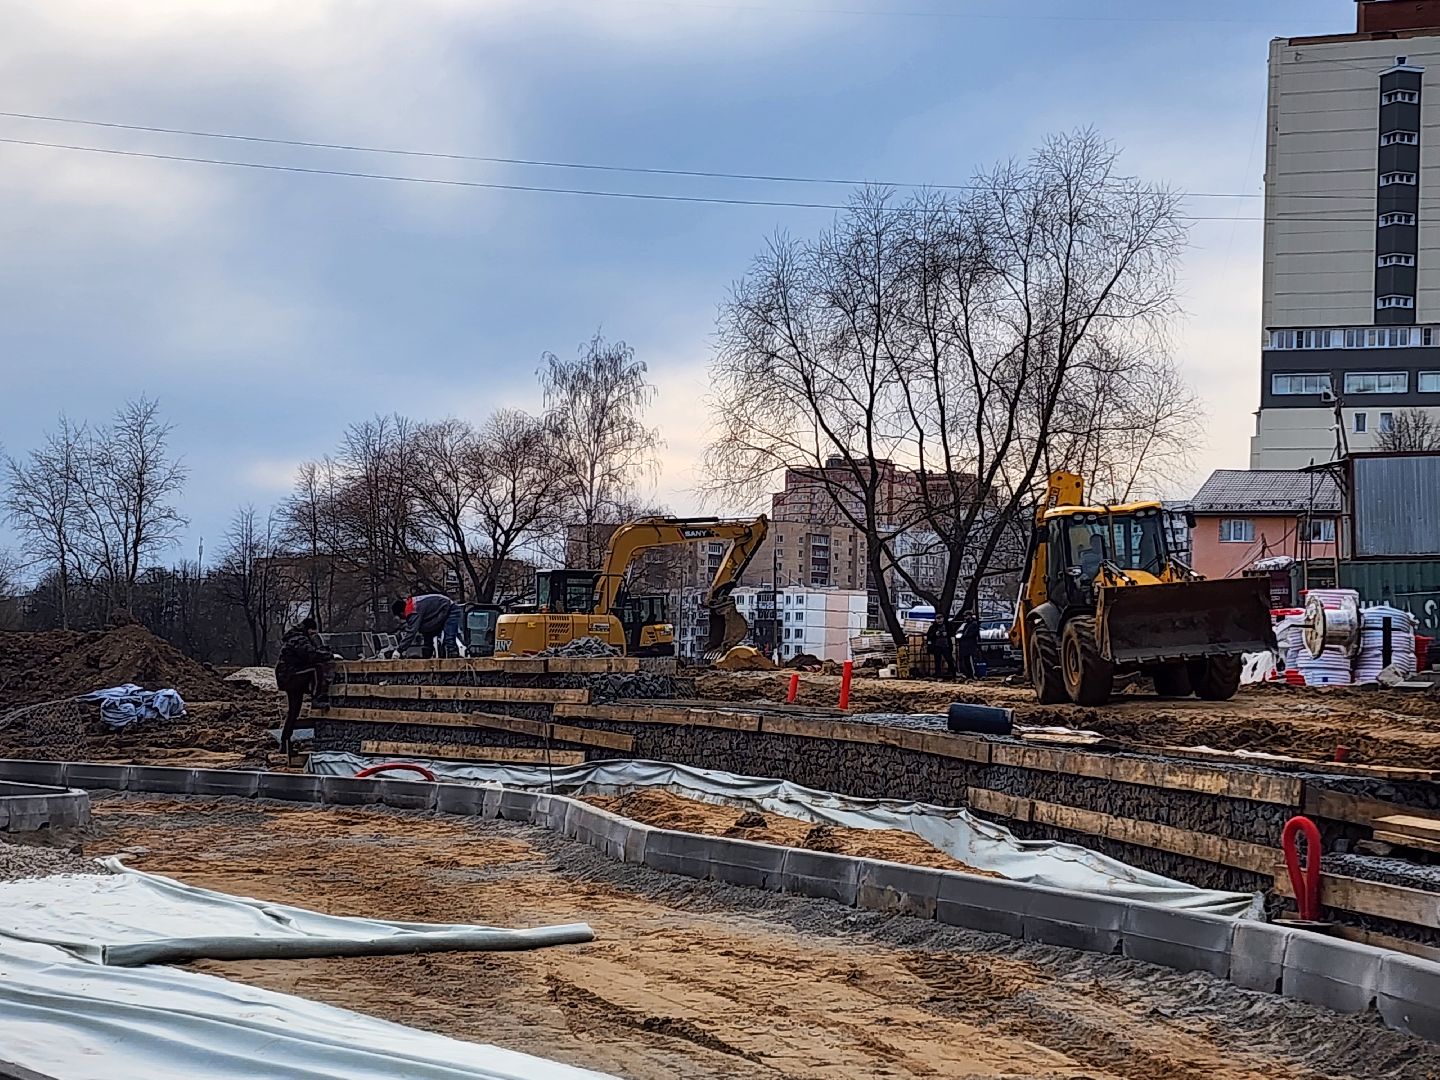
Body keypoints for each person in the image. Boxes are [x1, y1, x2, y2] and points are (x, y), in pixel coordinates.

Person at [273, 617, 338, 758]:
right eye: (313, 633)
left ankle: (285, 743)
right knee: (316, 670)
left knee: (294, 712)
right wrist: (329, 655)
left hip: (289, 677)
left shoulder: (296, 638)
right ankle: (317, 698)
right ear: (308, 630)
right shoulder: (299, 639)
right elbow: (311, 656)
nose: (314, 636)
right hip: (290, 676)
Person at [392, 593, 463, 659]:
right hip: (440, 609)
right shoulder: (413, 605)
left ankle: (454, 657)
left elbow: (411, 633)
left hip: (450, 608)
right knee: (425, 629)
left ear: (401, 613)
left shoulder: (413, 611)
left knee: (449, 639)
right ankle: (428, 652)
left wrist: (399, 650)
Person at [955, 609, 982, 680]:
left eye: (966, 616)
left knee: (970, 660)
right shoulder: (966, 624)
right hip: (965, 644)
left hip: (970, 645)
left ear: (970, 616)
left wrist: (963, 635)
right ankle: (969, 674)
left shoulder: (973, 624)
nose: (965, 618)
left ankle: (973, 674)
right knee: (966, 660)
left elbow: (971, 634)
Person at [926, 616, 955, 680]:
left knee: (949, 659)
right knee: (937, 660)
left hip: (946, 645)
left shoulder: (947, 626)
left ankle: (952, 673)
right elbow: (929, 635)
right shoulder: (933, 627)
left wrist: (947, 634)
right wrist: (935, 634)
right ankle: (938, 673)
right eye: (938, 619)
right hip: (937, 646)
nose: (939, 621)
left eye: (941, 619)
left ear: (943, 619)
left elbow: (953, 633)